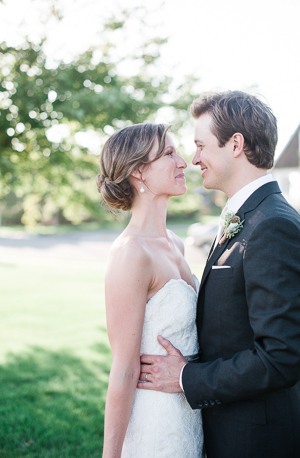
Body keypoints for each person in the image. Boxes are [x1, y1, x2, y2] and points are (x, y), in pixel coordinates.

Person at [139, 91, 300, 458]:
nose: (193, 159)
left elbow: (281, 356)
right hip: (228, 429)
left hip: (256, 441)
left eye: (200, 145)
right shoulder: (248, 216)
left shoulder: (273, 225)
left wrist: (185, 378)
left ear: (236, 145)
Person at [96, 123, 202, 458]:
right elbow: (124, 369)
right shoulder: (131, 253)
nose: (183, 162)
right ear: (139, 172)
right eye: (169, 154)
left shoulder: (176, 244)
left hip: (190, 411)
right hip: (156, 420)